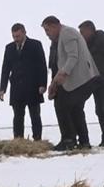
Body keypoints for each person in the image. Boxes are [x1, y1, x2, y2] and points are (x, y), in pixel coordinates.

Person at [41, 16, 99, 151]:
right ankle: (83, 141)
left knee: (62, 105)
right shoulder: (58, 39)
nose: (47, 34)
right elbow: (59, 63)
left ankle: (68, 139)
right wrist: (54, 83)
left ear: (55, 26)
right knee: (75, 108)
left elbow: (73, 56)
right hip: (79, 81)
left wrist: (63, 74)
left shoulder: (67, 33)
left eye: (47, 30)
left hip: (82, 80)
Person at [0, 23, 48, 140]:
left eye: (18, 36)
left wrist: (43, 84)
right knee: (18, 116)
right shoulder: (9, 48)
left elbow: (42, 66)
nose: (16, 39)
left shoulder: (35, 45)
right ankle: (18, 140)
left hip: (33, 87)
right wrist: (2, 89)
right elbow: (5, 69)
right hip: (17, 88)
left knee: (35, 115)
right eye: (14, 36)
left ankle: (37, 140)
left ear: (24, 33)